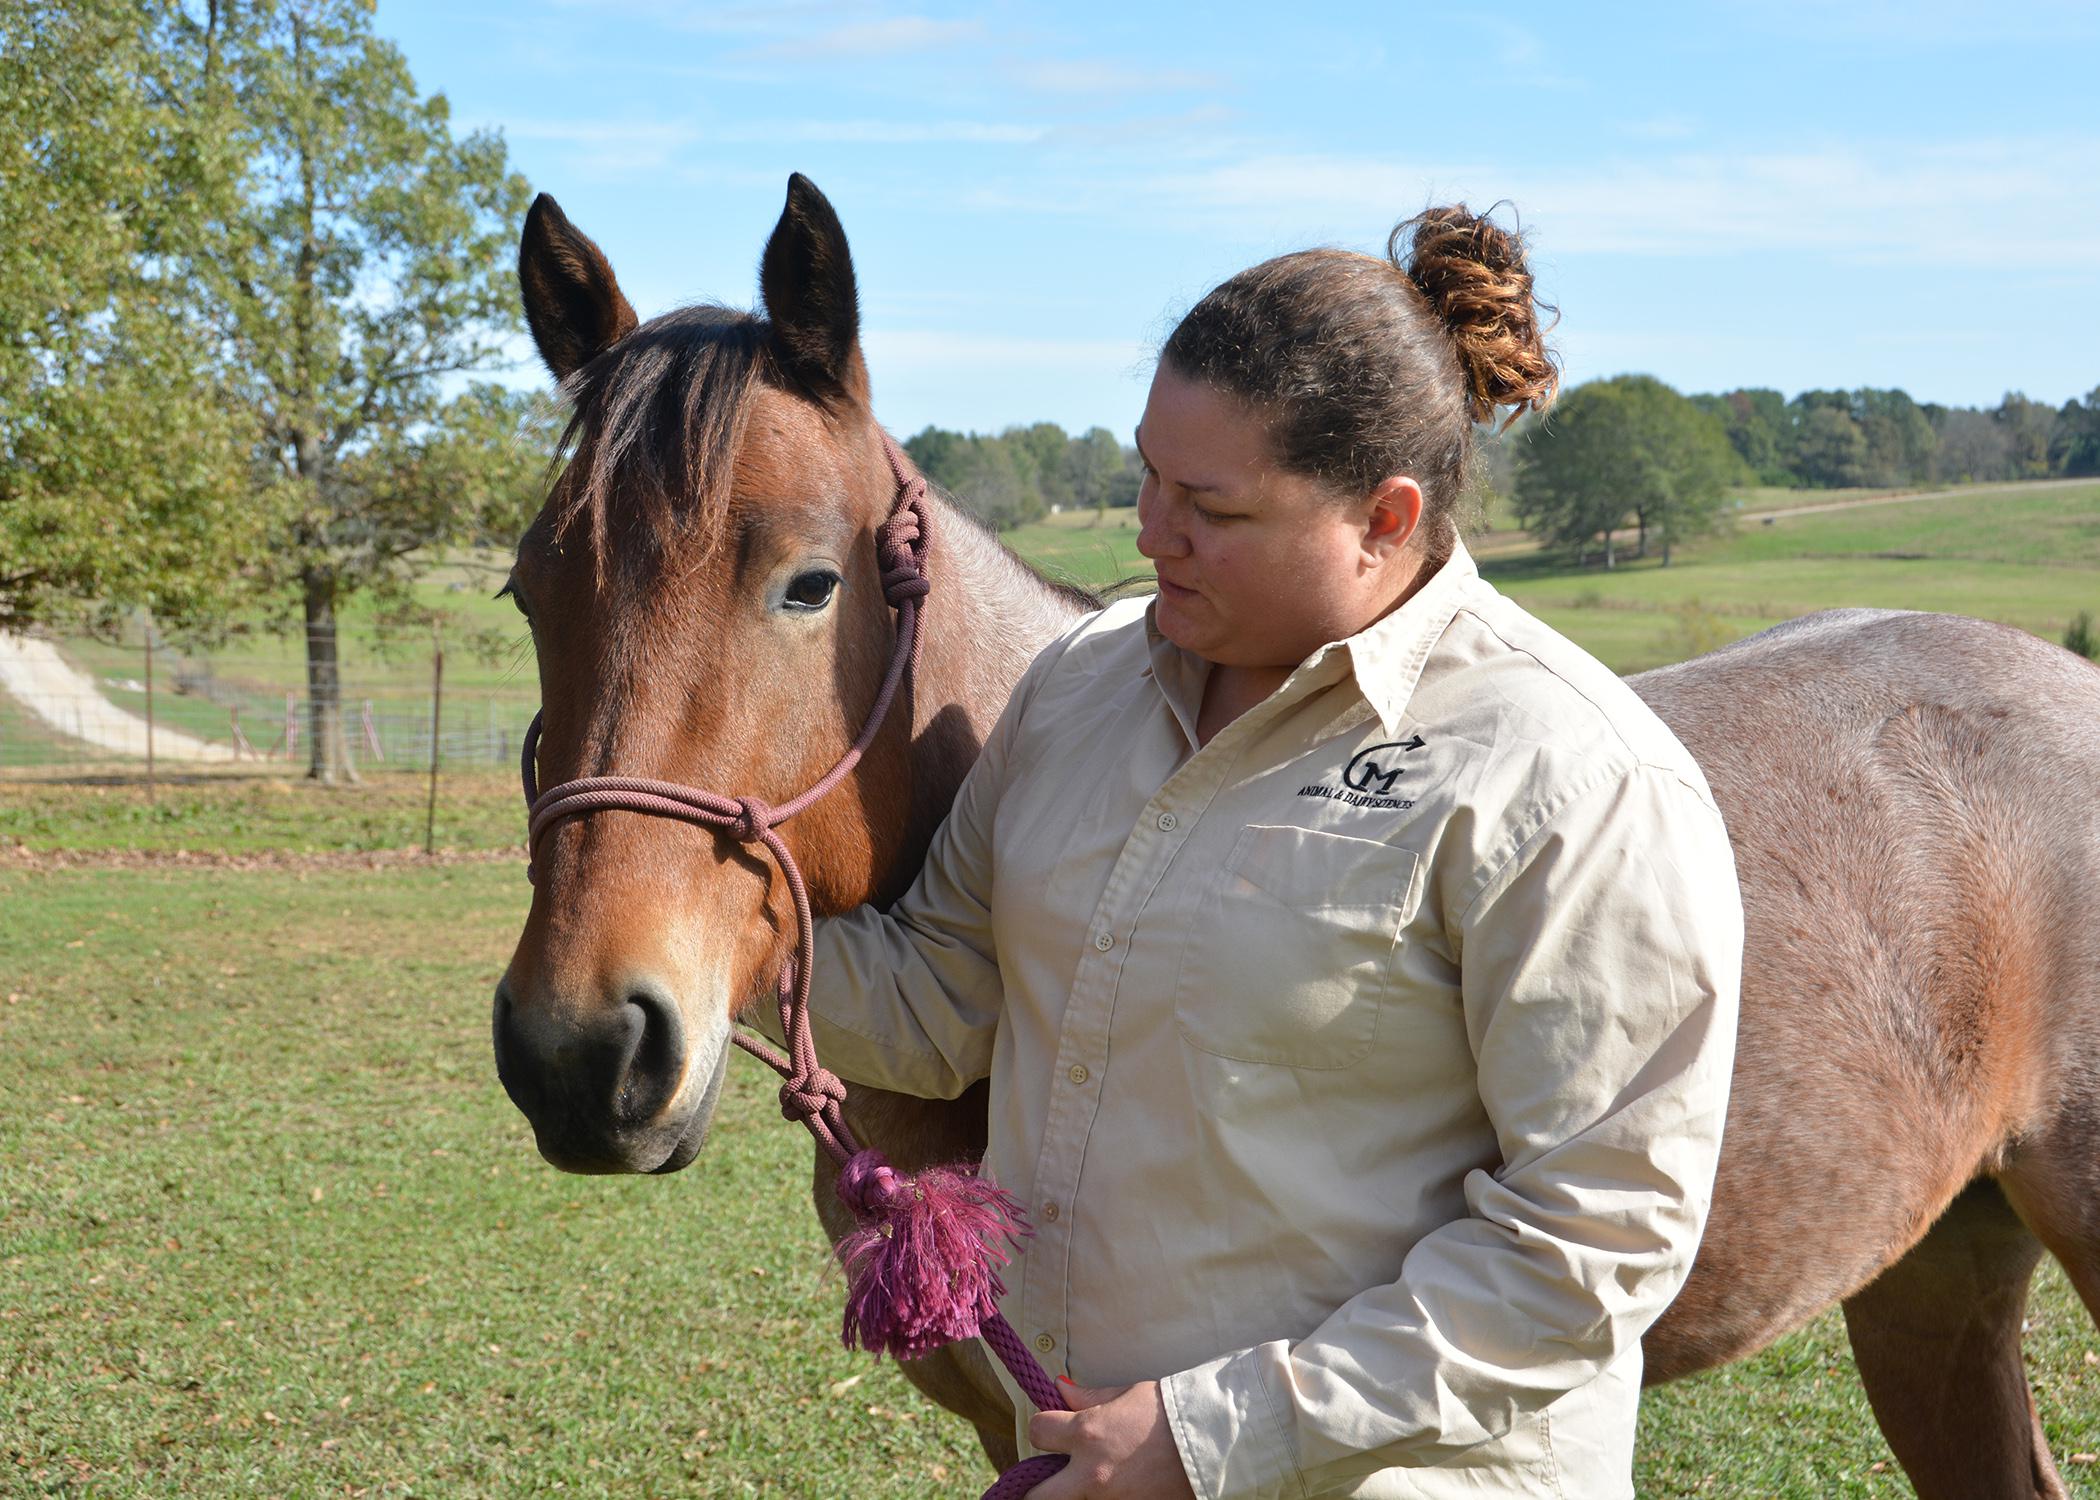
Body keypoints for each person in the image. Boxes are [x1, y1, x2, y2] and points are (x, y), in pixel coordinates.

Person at [796, 206, 1743, 1498]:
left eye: (1212, 507)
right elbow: (939, 1004)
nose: (1147, 532)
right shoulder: (1083, 687)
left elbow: (1595, 1245)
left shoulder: (1566, 775)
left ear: (1384, 517)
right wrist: (709, 918)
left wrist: (1206, 1439)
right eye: (1146, 475)